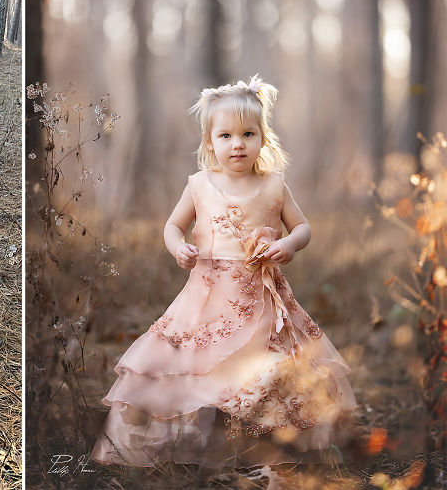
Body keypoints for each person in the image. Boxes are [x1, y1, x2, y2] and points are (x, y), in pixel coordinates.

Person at [92, 75, 356, 468]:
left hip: (262, 297)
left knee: (266, 365)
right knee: (197, 363)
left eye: (248, 134)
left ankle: (267, 444)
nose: (238, 144)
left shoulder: (274, 186)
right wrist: (178, 247)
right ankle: (197, 444)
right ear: (209, 142)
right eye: (227, 135)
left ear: (262, 138)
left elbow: (302, 227)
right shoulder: (200, 185)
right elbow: (172, 226)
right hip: (207, 293)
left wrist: (287, 244)